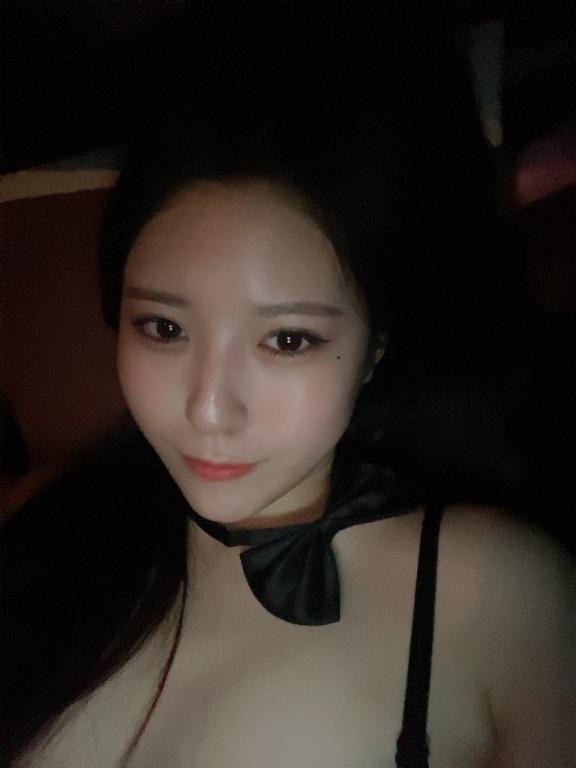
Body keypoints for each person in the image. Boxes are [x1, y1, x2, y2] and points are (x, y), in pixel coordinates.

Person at [2, 5, 575, 767]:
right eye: (164, 328)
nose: (209, 409)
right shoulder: (51, 539)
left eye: (288, 339)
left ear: (375, 346)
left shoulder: (497, 592)